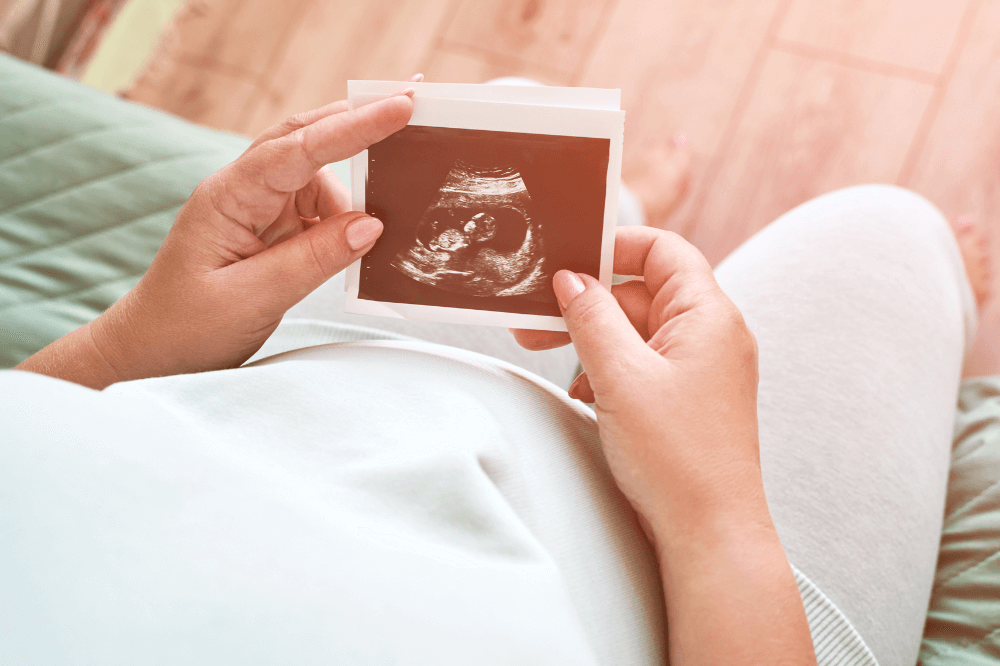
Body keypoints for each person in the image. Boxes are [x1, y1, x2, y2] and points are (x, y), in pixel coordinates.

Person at [1, 75, 985, 666]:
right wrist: (716, 509)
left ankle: (632, 198)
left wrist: (130, 342)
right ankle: (935, 287)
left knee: (513, 125)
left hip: (329, 386)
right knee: (889, 232)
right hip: (688, 599)